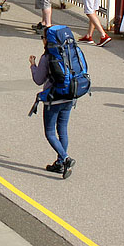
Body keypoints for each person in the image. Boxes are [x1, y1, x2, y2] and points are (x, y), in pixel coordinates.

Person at [31, 38, 75, 178]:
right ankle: (60, 163)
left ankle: (66, 158)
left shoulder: (47, 57)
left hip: (53, 99)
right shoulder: (69, 52)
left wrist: (33, 65)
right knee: (62, 130)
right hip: (69, 96)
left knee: (50, 132)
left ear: (46, 40)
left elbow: (39, 80)